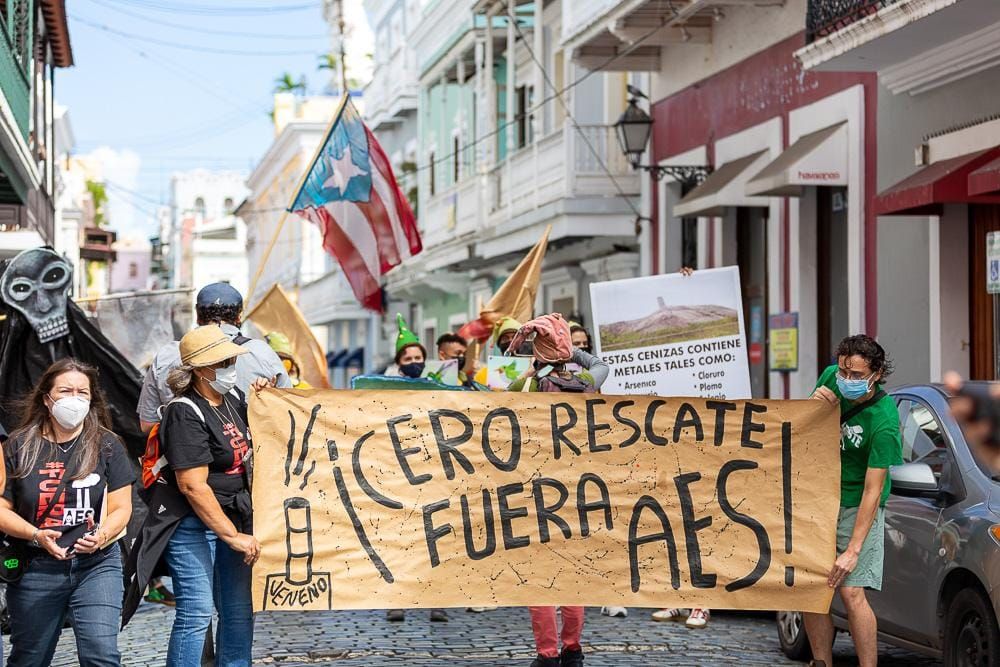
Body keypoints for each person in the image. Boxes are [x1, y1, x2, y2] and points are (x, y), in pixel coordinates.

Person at [0, 358, 135, 667]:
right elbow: (1, 508)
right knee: (29, 659)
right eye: (65, 390)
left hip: (97, 565)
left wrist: (101, 535)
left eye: (82, 392)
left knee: (102, 654)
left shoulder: (107, 444)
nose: (74, 398)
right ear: (47, 398)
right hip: (36, 568)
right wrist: (35, 534)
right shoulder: (18, 446)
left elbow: (121, 507)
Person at [154, 325, 265, 666]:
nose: (232, 366)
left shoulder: (233, 400)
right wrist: (231, 537)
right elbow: (192, 484)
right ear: (201, 370)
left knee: (238, 611)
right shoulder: (184, 411)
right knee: (197, 612)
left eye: (231, 358)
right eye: (225, 361)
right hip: (193, 527)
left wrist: (266, 398)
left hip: (234, 517)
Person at [506, 313, 608, 667]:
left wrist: (534, 368)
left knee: (539, 576)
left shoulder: (529, 387)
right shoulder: (585, 381)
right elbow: (600, 364)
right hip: (580, 491)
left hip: (536, 493)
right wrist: (568, 352)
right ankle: (573, 649)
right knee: (574, 573)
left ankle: (547, 654)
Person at [803, 334, 902, 667]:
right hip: (820, 497)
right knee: (811, 587)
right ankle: (821, 662)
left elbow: (874, 489)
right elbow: (804, 436)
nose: (846, 380)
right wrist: (816, 410)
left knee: (850, 592)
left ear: (876, 373)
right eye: (844, 371)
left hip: (856, 503)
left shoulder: (885, 420)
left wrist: (853, 549)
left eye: (856, 375)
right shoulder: (831, 377)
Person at [137, 282, 290, 433]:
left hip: (181, 453)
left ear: (197, 315)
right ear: (239, 316)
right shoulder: (261, 352)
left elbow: (147, 424)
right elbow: (289, 414)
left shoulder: (167, 355)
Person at [387, 314, 430, 381]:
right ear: (398, 363)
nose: (414, 362)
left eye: (418, 358)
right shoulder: (390, 385)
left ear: (424, 359)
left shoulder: (432, 383)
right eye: (408, 359)